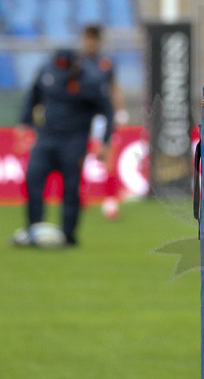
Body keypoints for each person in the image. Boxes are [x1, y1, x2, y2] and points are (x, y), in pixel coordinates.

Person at [14, 48, 114, 246]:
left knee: (70, 188)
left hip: (74, 140)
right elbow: (33, 95)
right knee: (33, 179)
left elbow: (107, 111)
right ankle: (33, 230)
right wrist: (24, 122)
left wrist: (104, 141)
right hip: (46, 136)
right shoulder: (47, 72)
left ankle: (68, 235)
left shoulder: (91, 79)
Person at [80, 24, 128, 211]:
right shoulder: (78, 62)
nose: (91, 43)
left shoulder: (105, 62)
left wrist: (120, 109)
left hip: (102, 115)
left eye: (94, 39)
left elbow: (114, 87)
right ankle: (79, 197)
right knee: (79, 155)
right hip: (82, 114)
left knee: (107, 154)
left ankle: (110, 201)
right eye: (88, 39)